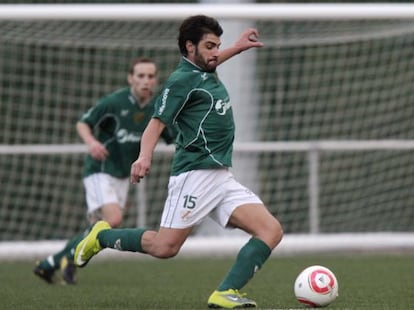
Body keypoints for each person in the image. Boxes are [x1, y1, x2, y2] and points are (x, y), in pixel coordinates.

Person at [74, 14, 283, 309]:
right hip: (195, 174)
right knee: (165, 247)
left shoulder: (205, 69)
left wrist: (237, 47)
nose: (214, 52)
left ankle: (224, 293)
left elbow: (211, 60)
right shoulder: (180, 80)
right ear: (189, 47)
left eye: (217, 46)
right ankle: (102, 236)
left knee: (271, 230)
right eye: (209, 46)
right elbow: (155, 124)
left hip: (221, 176)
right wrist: (144, 157)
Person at [33, 57, 175, 285]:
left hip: (121, 176)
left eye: (150, 76)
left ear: (156, 80)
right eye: (140, 76)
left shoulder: (156, 109)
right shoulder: (115, 102)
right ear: (131, 78)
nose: (145, 81)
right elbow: (83, 122)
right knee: (114, 218)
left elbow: (172, 137)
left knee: (102, 227)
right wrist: (91, 142)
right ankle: (64, 261)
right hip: (100, 169)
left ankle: (52, 263)